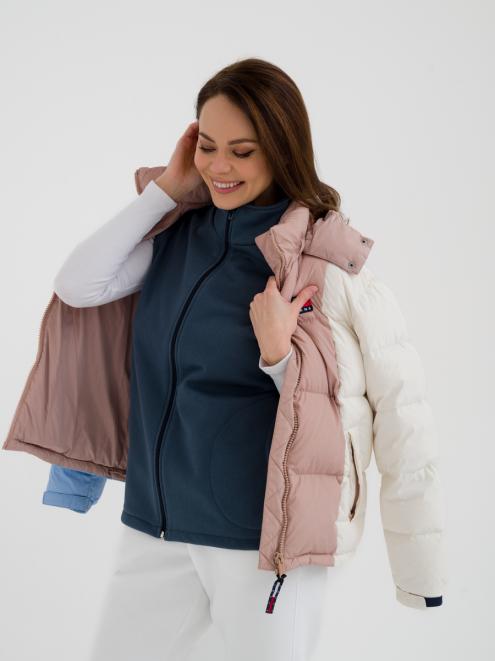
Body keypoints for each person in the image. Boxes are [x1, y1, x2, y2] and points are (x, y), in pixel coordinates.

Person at [4, 57, 446, 661]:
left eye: (242, 151)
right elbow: (78, 285)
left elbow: (396, 418)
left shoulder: (326, 267)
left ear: (281, 150)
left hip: (263, 544)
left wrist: (279, 355)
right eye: (207, 146)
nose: (219, 167)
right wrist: (165, 191)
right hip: (157, 527)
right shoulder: (174, 238)